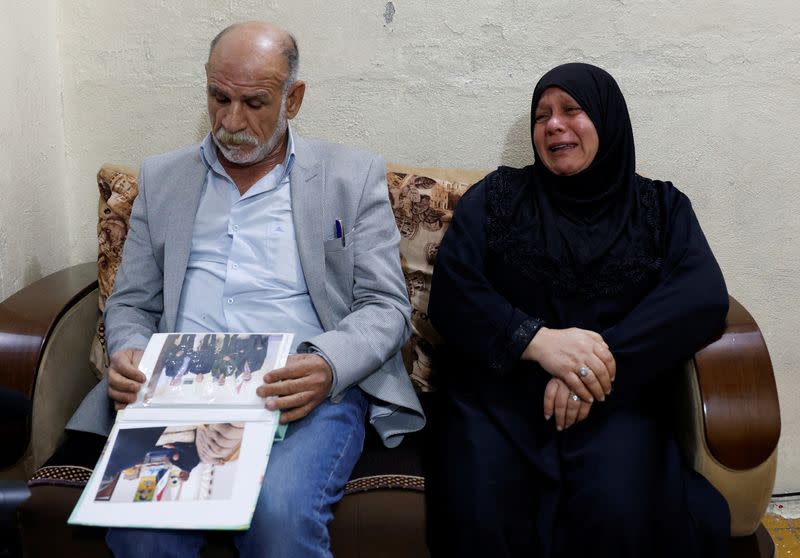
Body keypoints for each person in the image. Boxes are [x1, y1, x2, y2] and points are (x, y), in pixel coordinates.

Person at [63, 20, 424, 558]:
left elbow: (388, 306)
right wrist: (129, 349)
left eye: (254, 103)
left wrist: (327, 364)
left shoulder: (351, 177)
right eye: (218, 97)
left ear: (293, 98)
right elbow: (133, 301)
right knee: (141, 530)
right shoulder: (162, 180)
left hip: (300, 392)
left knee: (279, 517)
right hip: (181, 396)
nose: (232, 121)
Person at [426, 63, 730, 557]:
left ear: (608, 121)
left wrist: (594, 364)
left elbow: (702, 296)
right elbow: (455, 291)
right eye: (542, 114)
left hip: (613, 398)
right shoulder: (499, 197)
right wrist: (538, 341)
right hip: (497, 400)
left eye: (572, 110)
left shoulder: (660, 208)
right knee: (481, 504)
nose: (553, 125)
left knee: (619, 506)